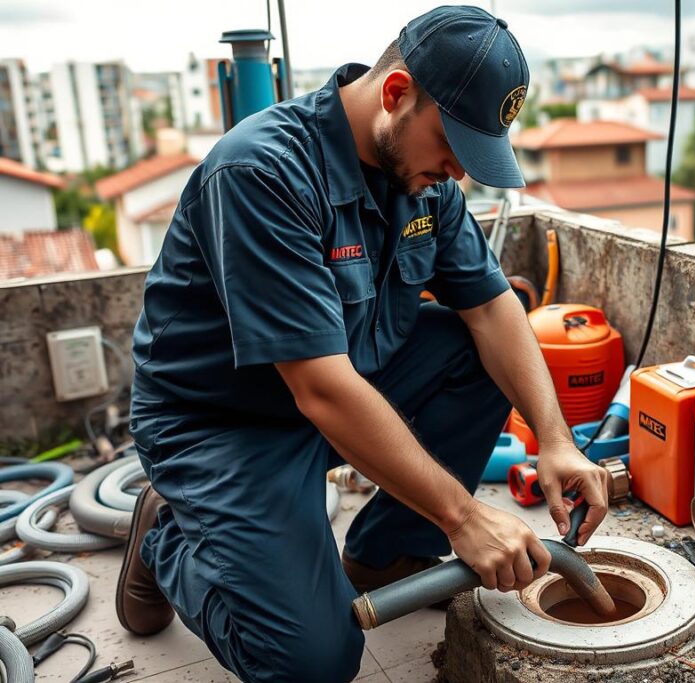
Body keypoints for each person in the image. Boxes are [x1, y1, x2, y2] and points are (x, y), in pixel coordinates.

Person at [115, 6, 609, 682]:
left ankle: (385, 552)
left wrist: (555, 437)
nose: (459, 171)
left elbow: (494, 307)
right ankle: (167, 531)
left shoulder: (423, 180)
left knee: (476, 353)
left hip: (341, 391)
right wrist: (464, 516)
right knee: (315, 661)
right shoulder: (263, 172)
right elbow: (319, 386)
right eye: (451, 143)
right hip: (224, 426)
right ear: (397, 93)